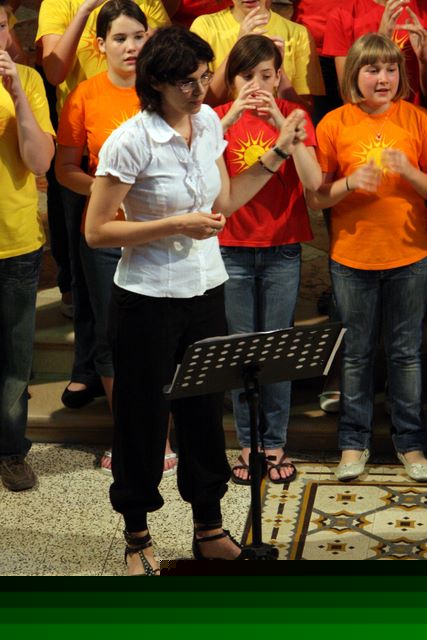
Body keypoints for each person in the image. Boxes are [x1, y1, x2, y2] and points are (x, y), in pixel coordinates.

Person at [85, 25, 307, 573]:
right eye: (187, 82)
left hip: (206, 290)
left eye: (205, 77)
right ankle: (137, 535)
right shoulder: (131, 140)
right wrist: (175, 224)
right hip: (147, 299)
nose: (200, 90)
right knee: (143, 420)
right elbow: (96, 230)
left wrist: (278, 153)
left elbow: (224, 201)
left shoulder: (207, 121)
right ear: (156, 83)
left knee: (204, 416)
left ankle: (209, 527)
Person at [55, 0, 177, 476]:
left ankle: (162, 433)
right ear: (100, 44)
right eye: (120, 38)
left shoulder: (165, 91)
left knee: (160, 336)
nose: (130, 47)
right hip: (107, 234)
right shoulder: (84, 95)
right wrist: (107, 190)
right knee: (115, 336)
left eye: (138, 37)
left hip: (162, 232)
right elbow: (65, 168)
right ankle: (127, 433)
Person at [306, 33, 427, 482]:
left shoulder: (417, 120)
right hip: (352, 259)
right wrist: (351, 183)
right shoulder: (334, 123)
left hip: (410, 256)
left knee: (406, 353)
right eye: (373, 69)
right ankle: (352, 443)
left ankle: (411, 443)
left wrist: (410, 172)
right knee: (355, 355)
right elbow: (316, 198)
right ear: (355, 74)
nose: (383, 78)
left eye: (391, 69)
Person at [214, 34, 321, 485]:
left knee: (277, 349)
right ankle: (247, 443)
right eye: (246, 76)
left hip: (281, 247)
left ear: (279, 77)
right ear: (232, 80)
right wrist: (227, 119)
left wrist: (282, 124)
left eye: (265, 75)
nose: (256, 85)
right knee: (241, 349)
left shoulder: (295, 116)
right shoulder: (218, 117)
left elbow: (314, 183)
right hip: (232, 248)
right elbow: (203, 175)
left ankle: (274, 441)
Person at [0, 0, 55, 491]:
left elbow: (39, 162)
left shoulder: (29, 81)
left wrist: (17, 92)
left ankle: (11, 450)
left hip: (15, 240)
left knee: (14, 359)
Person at [190, 0, 325, 108]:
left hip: (275, 128)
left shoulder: (298, 33)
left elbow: (303, 112)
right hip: (224, 127)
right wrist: (236, 50)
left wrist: (278, 70)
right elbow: (203, 105)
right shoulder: (205, 26)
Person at [323, 0, 427, 105]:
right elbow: (349, 97)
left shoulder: (423, 9)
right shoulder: (342, 15)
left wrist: (424, 62)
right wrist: (381, 42)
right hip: (368, 114)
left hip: (416, 112)